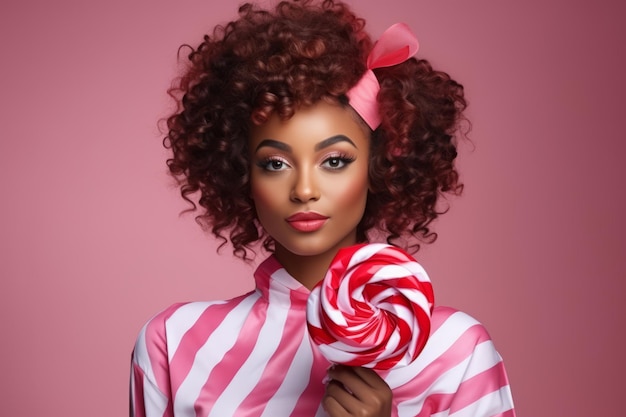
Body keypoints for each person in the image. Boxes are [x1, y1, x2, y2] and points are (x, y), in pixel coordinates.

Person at [130, 0, 516, 416]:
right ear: (242, 173)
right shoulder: (176, 344)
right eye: (275, 164)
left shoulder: (456, 352)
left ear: (379, 166)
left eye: (334, 161)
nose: (304, 189)